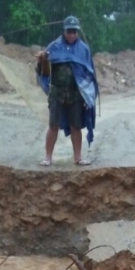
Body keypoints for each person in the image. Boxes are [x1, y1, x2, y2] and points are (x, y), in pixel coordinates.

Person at [36, 16, 99, 167]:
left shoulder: (84, 49)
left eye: (74, 32)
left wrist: (88, 97)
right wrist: (42, 60)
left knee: (75, 126)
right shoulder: (54, 46)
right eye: (69, 31)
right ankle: (48, 157)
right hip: (57, 93)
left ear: (78, 32)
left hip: (76, 94)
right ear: (64, 31)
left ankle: (78, 158)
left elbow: (89, 75)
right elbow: (44, 73)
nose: (71, 35)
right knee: (53, 126)